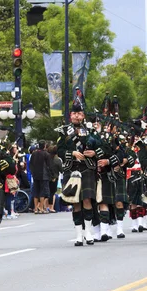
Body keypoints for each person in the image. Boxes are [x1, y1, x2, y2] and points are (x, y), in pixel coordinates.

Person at [57, 89, 102, 246]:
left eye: (79, 113)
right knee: (75, 202)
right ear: (71, 116)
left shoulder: (90, 130)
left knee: (87, 200)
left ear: (83, 115)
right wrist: (73, 153)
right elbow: (59, 150)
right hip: (71, 169)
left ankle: (88, 232)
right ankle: (78, 235)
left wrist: (94, 152)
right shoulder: (64, 131)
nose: (77, 116)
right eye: (74, 113)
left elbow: (101, 147)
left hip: (87, 168)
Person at [29, 140, 51, 213]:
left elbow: (31, 164)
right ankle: (41, 208)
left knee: (36, 191)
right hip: (43, 175)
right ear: (44, 146)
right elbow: (48, 165)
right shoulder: (46, 154)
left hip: (35, 175)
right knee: (42, 191)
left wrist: (32, 173)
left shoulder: (34, 154)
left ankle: (35, 208)